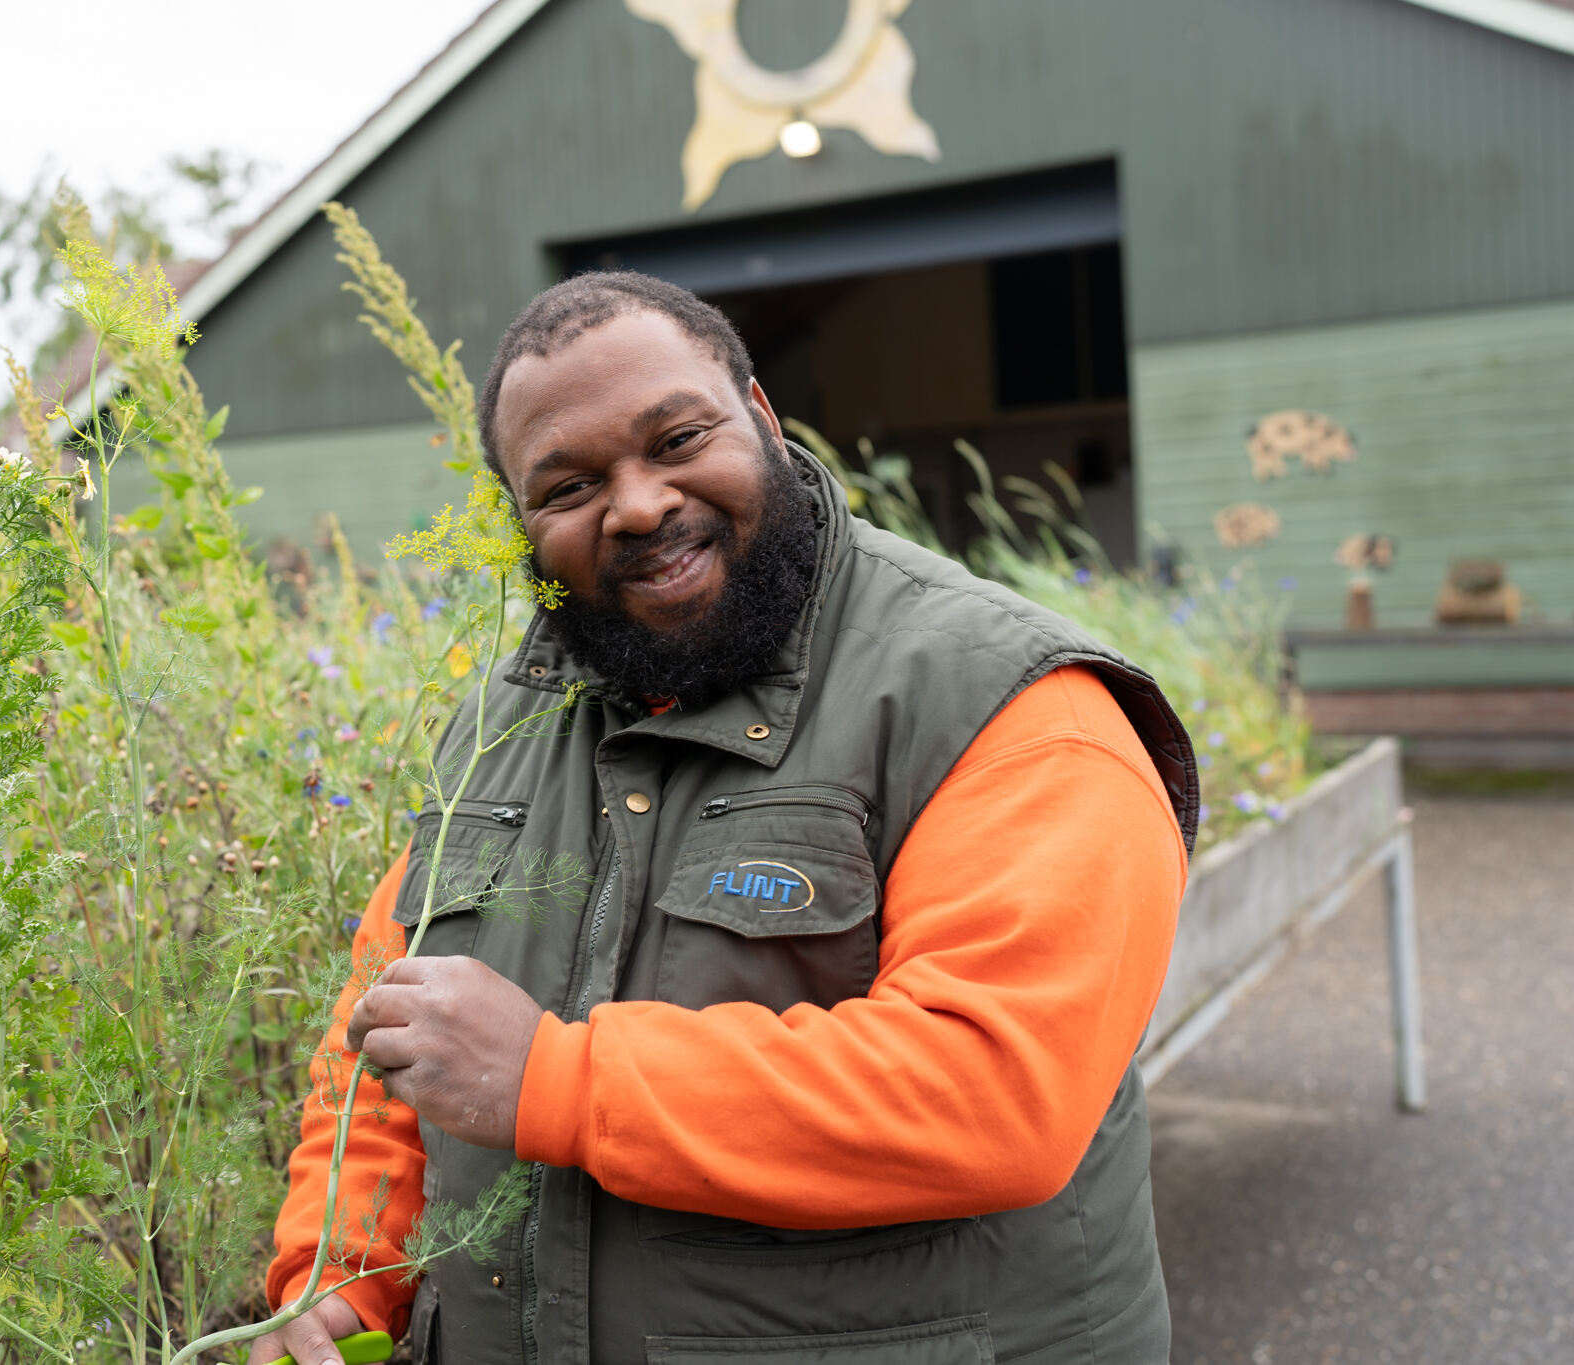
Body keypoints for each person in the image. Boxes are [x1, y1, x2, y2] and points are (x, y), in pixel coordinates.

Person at [252, 273, 1198, 1365]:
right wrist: (338, 1279)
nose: (639, 503)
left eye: (676, 437)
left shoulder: (1006, 706)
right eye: (567, 486)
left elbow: (994, 1093)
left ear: (760, 414)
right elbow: (389, 1034)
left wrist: (550, 1081)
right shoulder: (498, 724)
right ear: (520, 519)